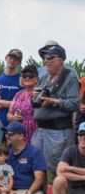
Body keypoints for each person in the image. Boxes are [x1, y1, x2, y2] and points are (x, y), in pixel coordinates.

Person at [32, 42, 80, 173]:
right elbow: (35, 103)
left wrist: (53, 101)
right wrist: (34, 96)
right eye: (44, 58)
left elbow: (75, 105)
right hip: (40, 130)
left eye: (50, 57)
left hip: (58, 132)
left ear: (60, 60)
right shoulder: (43, 78)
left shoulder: (70, 77)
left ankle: (58, 193)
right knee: (38, 168)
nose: (45, 61)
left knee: (57, 170)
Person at [50, 122, 85, 194]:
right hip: (71, 193)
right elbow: (59, 171)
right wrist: (82, 176)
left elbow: (64, 169)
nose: (83, 137)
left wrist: (69, 169)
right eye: (81, 133)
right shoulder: (70, 150)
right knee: (59, 180)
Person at [6, 65, 40, 141]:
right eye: (24, 76)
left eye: (31, 76)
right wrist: (13, 118)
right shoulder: (18, 94)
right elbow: (8, 114)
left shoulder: (39, 93)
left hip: (33, 131)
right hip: (17, 131)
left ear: (36, 79)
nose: (27, 78)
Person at [0, 49, 24, 130]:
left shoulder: (22, 80)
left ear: (19, 63)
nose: (12, 60)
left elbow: (22, 104)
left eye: (16, 59)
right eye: (11, 57)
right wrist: (11, 103)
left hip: (14, 126)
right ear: (6, 58)